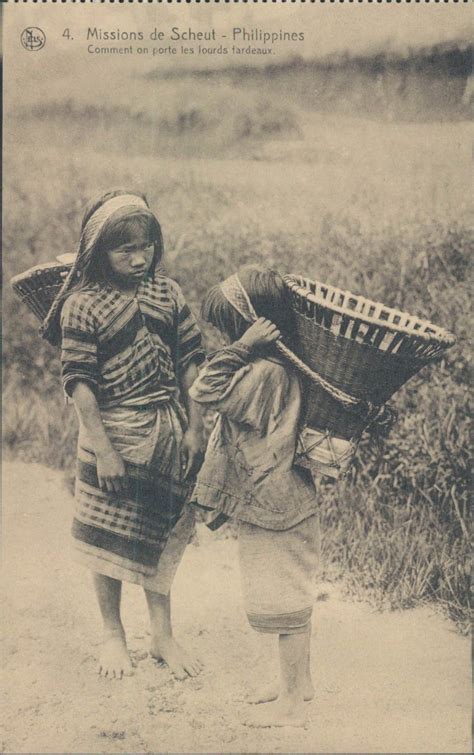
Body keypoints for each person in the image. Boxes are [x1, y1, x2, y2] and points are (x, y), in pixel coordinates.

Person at [41, 189, 205, 680]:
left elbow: (191, 363)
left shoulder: (168, 293)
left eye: (146, 246)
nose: (138, 258)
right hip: (110, 430)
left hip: (166, 431)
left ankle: (161, 635)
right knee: (106, 533)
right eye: (124, 249)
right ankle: (113, 634)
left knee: (160, 529)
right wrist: (103, 448)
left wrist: (197, 426)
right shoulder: (82, 305)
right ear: (98, 251)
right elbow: (80, 384)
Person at [189, 265, 320, 728]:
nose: (226, 338)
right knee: (292, 593)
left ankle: (289, 702)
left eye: (230, 329)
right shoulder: (283, 368)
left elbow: (204, 390)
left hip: (272, 504)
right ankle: (298, 683)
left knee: (281, 601)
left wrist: (241, 348)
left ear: (257, 327)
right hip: (287, 497)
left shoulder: (264, 372)